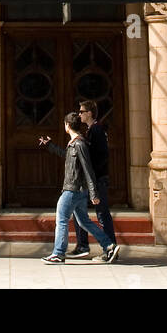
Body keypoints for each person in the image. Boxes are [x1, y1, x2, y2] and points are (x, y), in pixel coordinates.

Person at [38, 112, 120, 264]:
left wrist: (94, 193)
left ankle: (58, 253)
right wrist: (50, 146)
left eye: (65, 124)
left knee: (61, 220)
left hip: (73, 189)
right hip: (78, 190)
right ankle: (108, 245)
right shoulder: (75, 143)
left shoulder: (80, 144)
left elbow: (88, 169)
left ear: (67, 126)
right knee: (84, 222)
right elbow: (67, 156)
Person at [69, 99, 116, 259]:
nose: (79, 114)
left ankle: (110, 248)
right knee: (80, 211)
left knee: (101, 213)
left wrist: (91, 175)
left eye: (81, 111)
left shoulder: (96, 130)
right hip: (93, 179)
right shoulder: (92, 130)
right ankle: (84, 245)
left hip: (97, 179)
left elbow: (101, 155)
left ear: (89, 113)